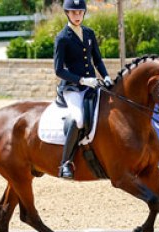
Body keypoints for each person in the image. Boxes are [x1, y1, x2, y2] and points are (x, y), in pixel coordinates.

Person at [54, 0, 113, 179]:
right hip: (72, 88)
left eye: (80, 12)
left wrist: (106, 76)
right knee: (78, 119)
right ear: (67, 14)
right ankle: (65, 163)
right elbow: (59, 70)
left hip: (92, 86)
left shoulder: (89, 33)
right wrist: (81, 80)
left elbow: (97, 60)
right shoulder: (62, 37)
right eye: (74, 13)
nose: (77, 16)